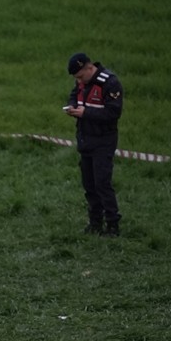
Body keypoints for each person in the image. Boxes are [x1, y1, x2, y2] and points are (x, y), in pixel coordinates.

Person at [65, 52, 123, 236]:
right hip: (85, 140)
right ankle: (95, 223)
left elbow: (113, 113)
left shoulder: (110, 83)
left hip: (103, 141)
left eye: (81, 76)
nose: (79, 81)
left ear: (89, 68)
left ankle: (113, 225)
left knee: (102, 184)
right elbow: (74, 95)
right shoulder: (81, 82)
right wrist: (72, 106)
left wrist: (86, 113)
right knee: (89, 185)